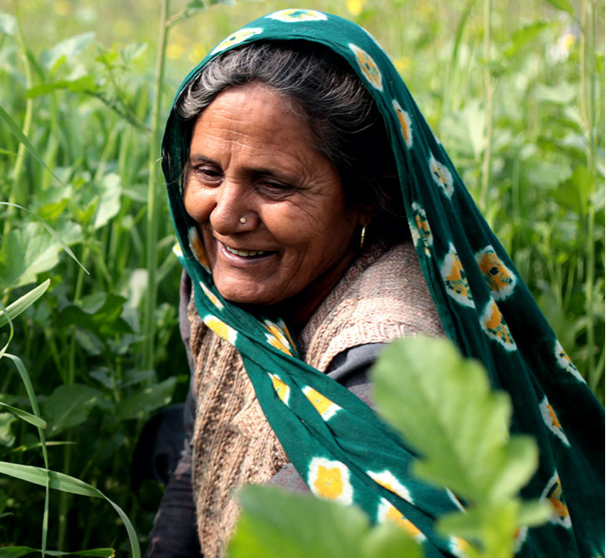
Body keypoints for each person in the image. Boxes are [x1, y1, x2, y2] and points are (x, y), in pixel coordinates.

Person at [144, 10, 604, 558]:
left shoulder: (387, 362)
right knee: (165, 436)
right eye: (208, 172)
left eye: (273, 183)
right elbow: (202, 446)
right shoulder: (231, 273)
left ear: (367, 195)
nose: (224, 216)